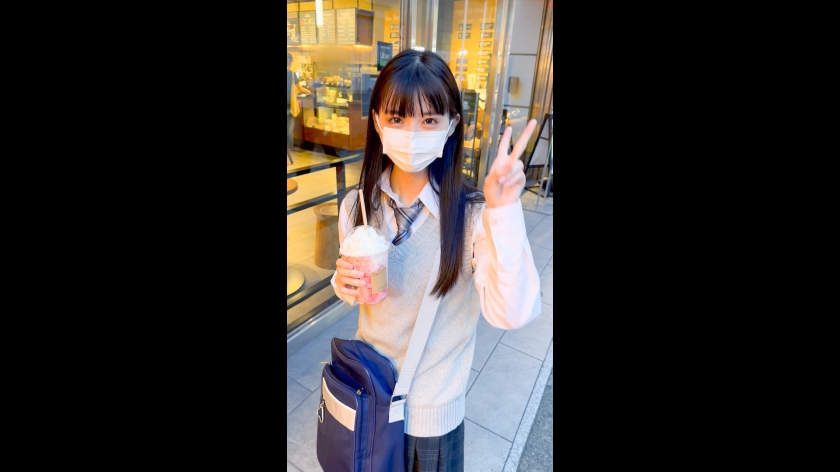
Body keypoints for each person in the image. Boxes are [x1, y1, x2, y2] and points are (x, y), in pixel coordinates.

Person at [330, 50, 541, 472]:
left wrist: (504, 211)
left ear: (451, 125)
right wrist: (343, 284)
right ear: (377, 123)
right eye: (397, 118)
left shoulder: (473, 215)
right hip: (368, 400)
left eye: (429, 120)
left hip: (433, 423)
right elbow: (362, 296)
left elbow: (513, 312)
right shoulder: (356, 207)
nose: (412, 133)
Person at [287, 52, 310, 151]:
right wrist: (307, 91)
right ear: (289, 61)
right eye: (291, 61)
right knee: (289, 125)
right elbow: (298, 87)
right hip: (289, 102)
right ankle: (289, 146)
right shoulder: (292, 74)